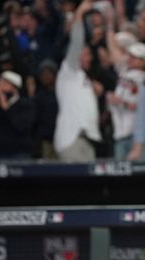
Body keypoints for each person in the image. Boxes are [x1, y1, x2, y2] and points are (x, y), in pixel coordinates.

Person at [54, 0, 102, 162]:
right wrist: (79, 14)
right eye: (86, 53)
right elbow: (77, 42)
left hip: (87, 140)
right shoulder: (69, 71)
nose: (90, 57)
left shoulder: (82, 77)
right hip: (71, 139)